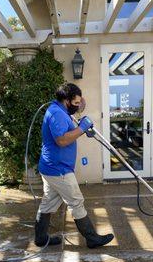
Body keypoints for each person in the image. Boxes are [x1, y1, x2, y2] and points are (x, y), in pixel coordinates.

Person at [34, 82, 114, 249]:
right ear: (66, 100)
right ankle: (92, 238)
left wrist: (81, 109)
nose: (77, 106)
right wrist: (82, 128)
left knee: (48, 202)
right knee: (76, 201)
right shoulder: (57, 113)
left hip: (51, 167)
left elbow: (74, 115)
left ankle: (41, 238)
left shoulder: (61, 110)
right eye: (75, 103)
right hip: (58, 169)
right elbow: (62, 140)